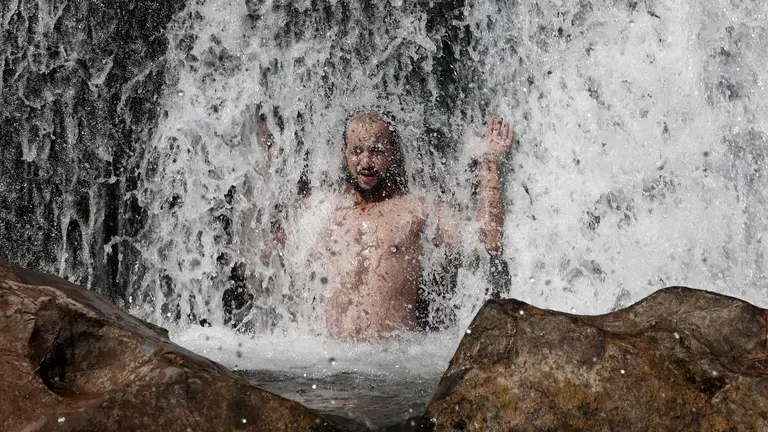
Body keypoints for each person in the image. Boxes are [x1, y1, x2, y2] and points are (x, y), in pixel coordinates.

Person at [227, 110, 513, 340]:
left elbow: (487, 239)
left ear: (393, 151)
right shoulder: (320, 208)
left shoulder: (416, 209)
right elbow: (255, 262)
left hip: (393, 364)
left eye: (376, 151)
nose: (365, 162)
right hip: (327, 363)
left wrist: (488, 165)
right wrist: (259, 173)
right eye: (357, 151)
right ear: (344, 152)